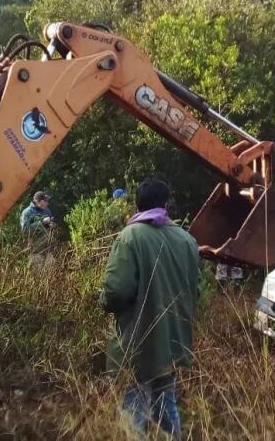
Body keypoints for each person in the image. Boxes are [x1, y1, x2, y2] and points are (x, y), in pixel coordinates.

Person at [100, 179, 200, 439]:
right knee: (166, 404)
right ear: (166, 204)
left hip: (138, 341)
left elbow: (116, 291)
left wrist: (104, 302)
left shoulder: (130, 236)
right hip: (173, 341)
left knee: (134, 411)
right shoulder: (186, 240)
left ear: (137, 204)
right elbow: (194, 292)